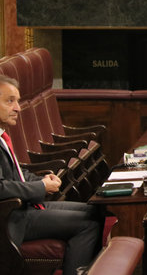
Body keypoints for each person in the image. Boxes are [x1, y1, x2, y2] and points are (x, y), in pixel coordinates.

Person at [0, 75, 102, 275]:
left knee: (95, 210)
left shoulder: (2, 134)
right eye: (9, 101)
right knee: (87, 225)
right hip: (9, 218)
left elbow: (16, 172)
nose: (18, 108)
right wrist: (41, 188)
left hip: (23, 207)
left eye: (18, 101)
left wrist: (41, 180)